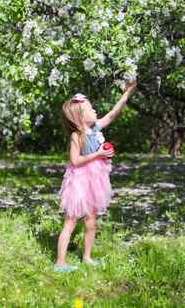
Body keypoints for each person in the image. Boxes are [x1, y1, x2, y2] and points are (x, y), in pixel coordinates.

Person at [53, 79, 137, 271]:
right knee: (71, 219)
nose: (95, 111)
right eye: (91, 109)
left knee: (91, 221)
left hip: (96, 180)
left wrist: (127, 93)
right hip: (80, 180)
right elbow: (74, 160)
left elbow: (113, 114)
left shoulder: (95, 128)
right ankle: (60, 262)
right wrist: (98, 154)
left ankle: (87, 257)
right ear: (81, 117)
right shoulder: (77, 135)